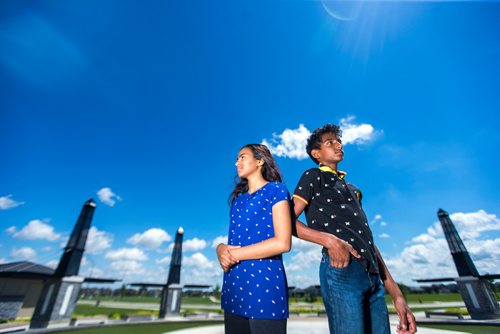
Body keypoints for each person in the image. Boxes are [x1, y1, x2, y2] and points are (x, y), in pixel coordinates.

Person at [292, 124, 416, 334]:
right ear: (316, 153)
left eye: (339, 142)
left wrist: (396, 294)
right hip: (343, 270)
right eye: (330, 142)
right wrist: (329, 241)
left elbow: (367, 242)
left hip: (373, 277)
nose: (338, 145)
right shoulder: (313, 176)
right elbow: (285, 221)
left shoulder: (353, 190)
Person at [216, 143, 292, 334]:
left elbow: (282, 242)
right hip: (234, 285)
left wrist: (234, 254)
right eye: (236, 159)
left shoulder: (276, 190)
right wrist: (220, 249)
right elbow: (233, 242)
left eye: (242, 157)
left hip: (264, 285)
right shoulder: (238, 201)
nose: (237, 163)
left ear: (259, 161)